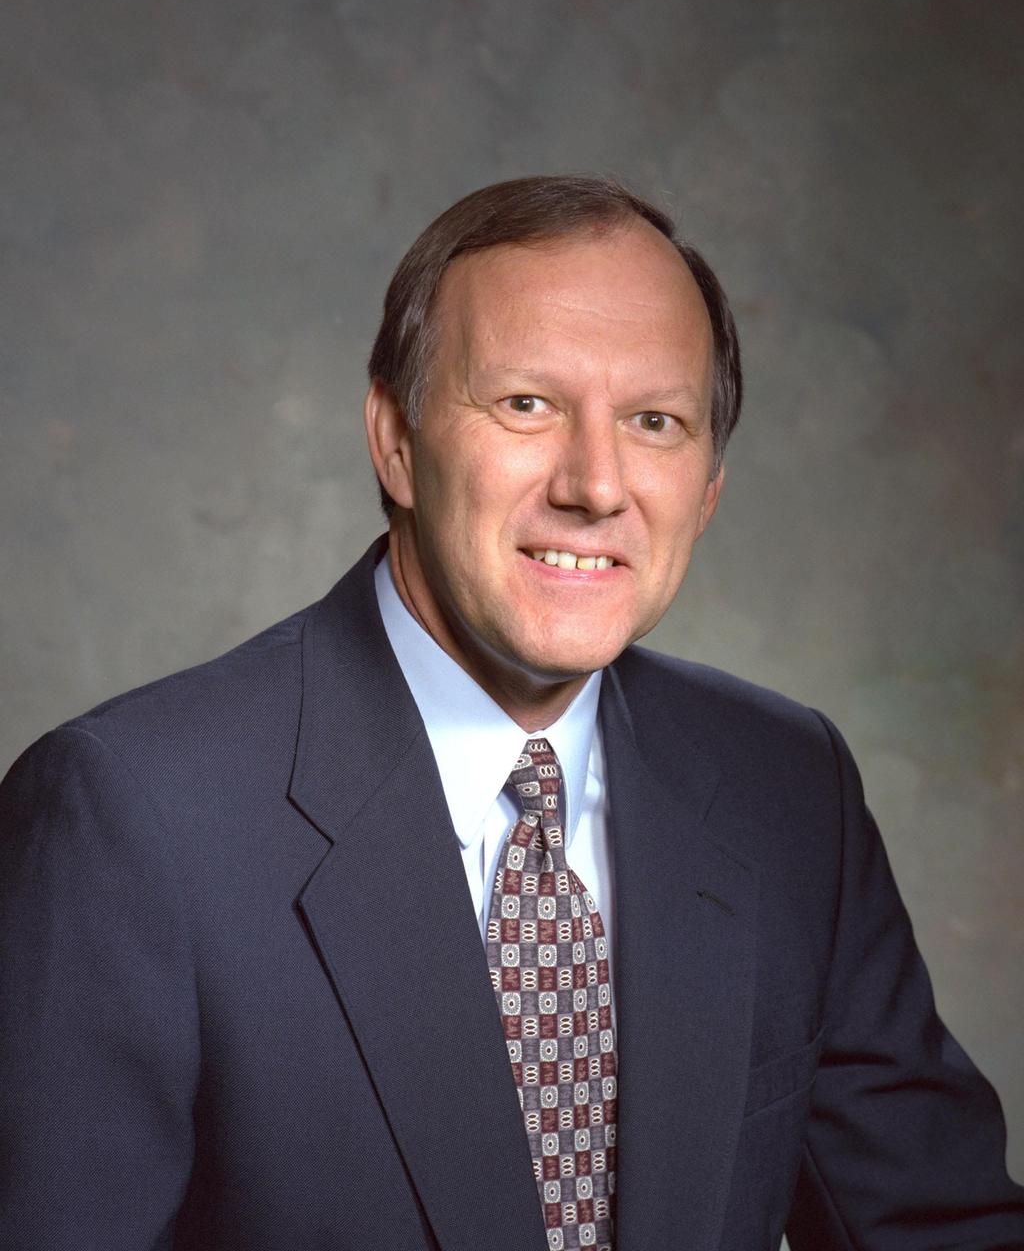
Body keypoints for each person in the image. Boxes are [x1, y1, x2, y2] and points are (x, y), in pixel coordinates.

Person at [1, 175, 1021, 1251]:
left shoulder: (785, 784)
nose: (595, 483)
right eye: (527, 403)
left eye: (655, 421)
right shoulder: (133, 815)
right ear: (395, 441)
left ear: (710, 484)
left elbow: (934, 1229)